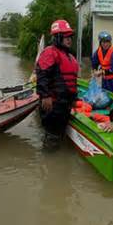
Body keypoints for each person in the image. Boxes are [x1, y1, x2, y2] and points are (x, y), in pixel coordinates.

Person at [35, 19, 79, 150]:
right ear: (57, 37)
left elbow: (72, 81)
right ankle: (48, 164)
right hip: (53, 104)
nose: (69, 39)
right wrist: (45, 95)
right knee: (52, 137)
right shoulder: (50, 52)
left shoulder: (69, 56)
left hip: (64, 104)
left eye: (70, 36)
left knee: (59, 135)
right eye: (66, 36)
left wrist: (74, 99)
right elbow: (42, 75)